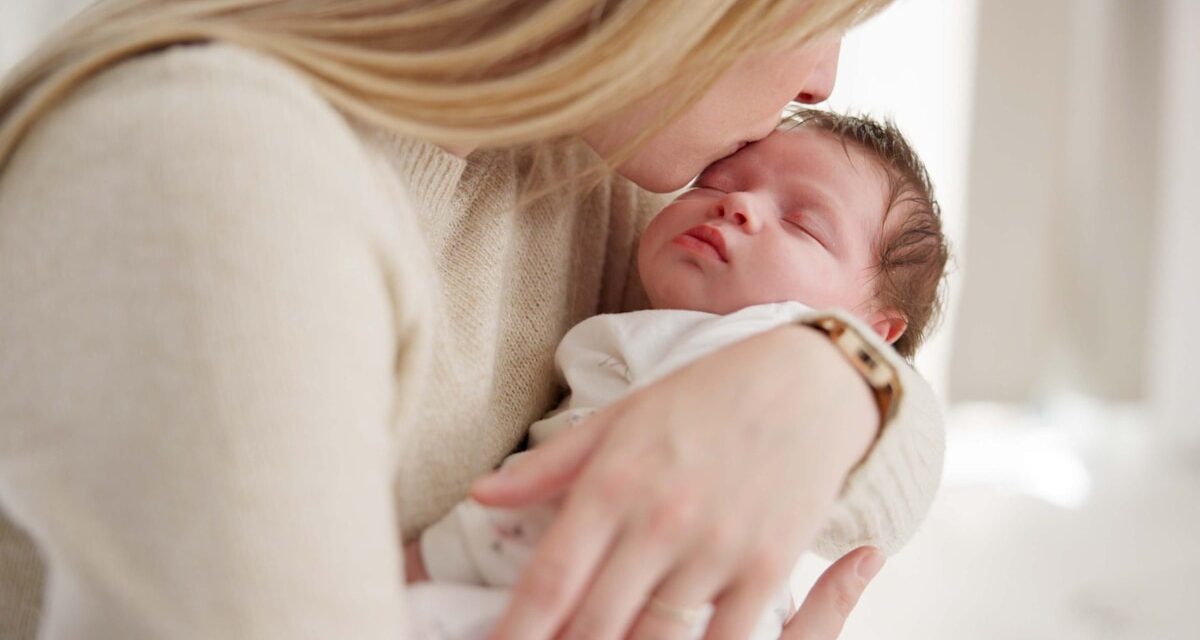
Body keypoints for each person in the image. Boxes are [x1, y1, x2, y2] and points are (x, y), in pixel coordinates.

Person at [0, 2, 944, 639]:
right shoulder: (211, 176)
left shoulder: (583, 165)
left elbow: (901, 467)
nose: (823, 80)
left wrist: (831, 372)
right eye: (826, 13)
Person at [402, 111, 949, 639]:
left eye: (802, 224)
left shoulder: (769, 337)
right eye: (711, 185)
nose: (736, 203)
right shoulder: (650, 283)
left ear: (873, 330)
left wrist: (427, 561)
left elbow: (585, 493)